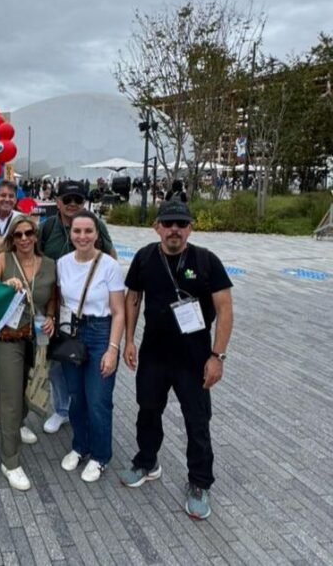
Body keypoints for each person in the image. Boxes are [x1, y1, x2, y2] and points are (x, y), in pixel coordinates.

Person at [120, 201, 233, 520]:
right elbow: (133, 298)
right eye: (168, 223)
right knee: (148, 410)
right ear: (157, 227)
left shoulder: (206, 261)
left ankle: (199, 482)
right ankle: (146, 461)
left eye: (181, 224)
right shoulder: (144, 257)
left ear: (190, 228)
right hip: (154, 352)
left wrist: (217, 356)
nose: (174, 229)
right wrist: (129, 340)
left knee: (197, 421)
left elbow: (225, 309)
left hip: (194, 357)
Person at [38, 180, 116, 436]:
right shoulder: (47, 227)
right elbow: (35, 256)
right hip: (56, 305)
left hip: (90, 311)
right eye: (67, 199)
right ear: (57, 201)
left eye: (78, 200)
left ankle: (79, 409)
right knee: (59, 362)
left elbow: (111, 257)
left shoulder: (95, 225)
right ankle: (62, 409)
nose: (72, 204)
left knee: (88, 370)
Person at [56, 210, 125, 482]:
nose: (82, 236)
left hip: (100, 333)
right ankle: (80, 446)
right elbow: (59, 300)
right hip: (72, 332)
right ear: (70, 233)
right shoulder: (62, 263)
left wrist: (113, 349)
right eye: (77, 231)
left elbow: (119, 312)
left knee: (98, 399)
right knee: (76, 397)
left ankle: (100, 455)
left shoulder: (109, 265)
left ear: (97, 234)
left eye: (88, 231)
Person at [0, 215, 57, 491]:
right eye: (18, 235)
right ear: (11, 239)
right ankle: (10, 461)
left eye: (29, 233)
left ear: (36, 235)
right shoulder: (3, 260)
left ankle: (17, 425)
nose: (24, 238)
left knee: (31, 387)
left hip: (37, 336)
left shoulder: (49, 264)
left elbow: (53, 295)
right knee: (10, 397)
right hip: (7, 338)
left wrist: (51, 315)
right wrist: (4, 288)